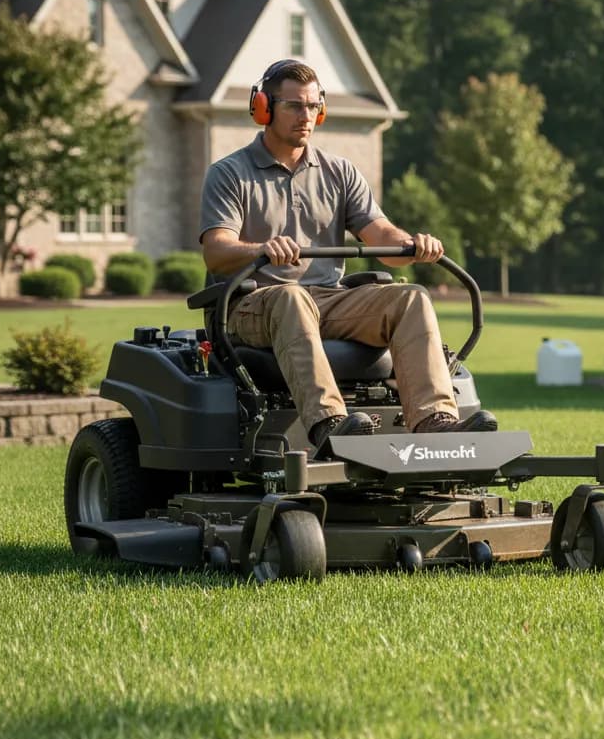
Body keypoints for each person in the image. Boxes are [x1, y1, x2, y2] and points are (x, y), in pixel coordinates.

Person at [198, 59, 496, 451]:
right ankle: (329, 424)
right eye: (293, 106)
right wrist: (262, 249)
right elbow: (216, 252)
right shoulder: (230, 173)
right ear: (264, 109)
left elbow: (381, 236)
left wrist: (413, 246)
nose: (306, 115)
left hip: (327, 299)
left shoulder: (339, 172)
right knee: (292, 297)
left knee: (410, 298)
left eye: (312, 105)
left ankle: (435, 421)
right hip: (255, 302)